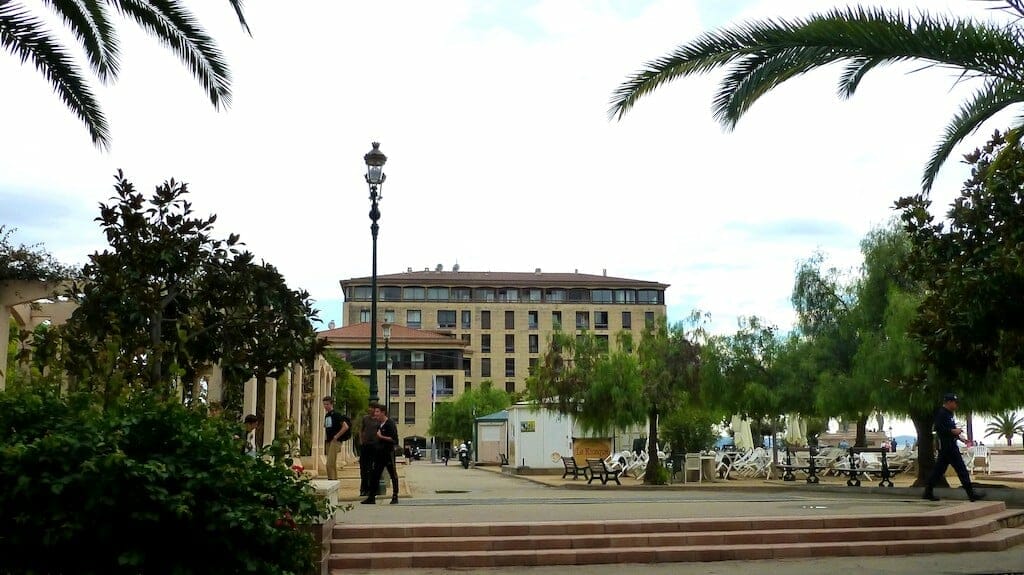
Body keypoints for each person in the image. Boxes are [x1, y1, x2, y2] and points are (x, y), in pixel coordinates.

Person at [923, 393, 985, 502]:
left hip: (949, 445)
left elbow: (950, 430)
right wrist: (952, 431)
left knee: (938, 471)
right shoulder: (942, 413)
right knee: (961, 470)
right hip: (948, 447)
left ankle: (928, 492)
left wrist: (961, 438)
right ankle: (971, 494)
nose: (956, 405)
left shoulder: (949, 414)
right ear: (949, 402)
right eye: (955, 403)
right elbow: (938, 428)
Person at [362, 403, 399, 505]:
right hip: (379, 453)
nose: (375, 414)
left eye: (377, 412)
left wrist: (381, 437)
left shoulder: (390, 424)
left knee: (393, 474)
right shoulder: (379, 424)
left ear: (383, 412)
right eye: (375, 412)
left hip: (388, 453)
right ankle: (371, 497)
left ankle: (395, 496)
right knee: (375, 475)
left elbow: (394, 439)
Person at [322, 396, 350, 481]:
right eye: (324, 404)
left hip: (335, 441)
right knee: (332, 463)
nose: (325, 406)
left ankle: (331, 480)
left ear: (331, 404)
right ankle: (333, 479)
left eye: (327, 404)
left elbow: (345, 426)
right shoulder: (327, 415)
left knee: (329, 463)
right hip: (329, 441)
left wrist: (336, 436)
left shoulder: (336, 415)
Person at [358, 406, 379, 497]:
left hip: (374, 446)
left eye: (372, 408)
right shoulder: (365, 418)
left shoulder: (378, 420)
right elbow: (361, 430)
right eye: (369, 408)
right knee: (363, 468)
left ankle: (373, 489)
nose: (370, 410)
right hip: (365, 446)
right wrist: (361, 441)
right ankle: (364, 489)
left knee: (372, 469)